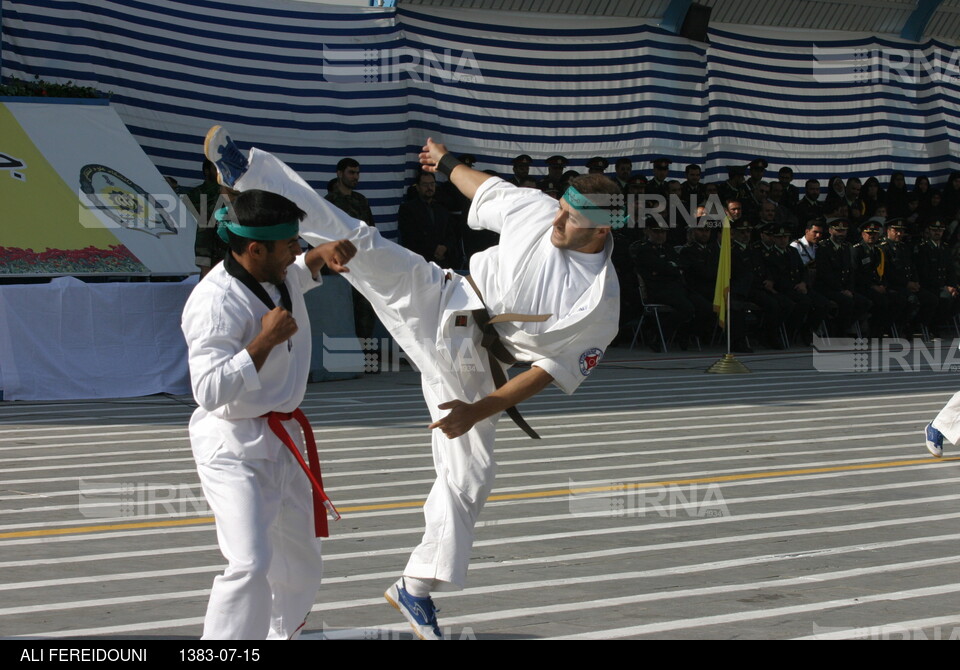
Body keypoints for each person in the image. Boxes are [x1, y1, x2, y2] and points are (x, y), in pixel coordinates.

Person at [204, 126, 620, 640]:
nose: (556, 221)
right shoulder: (539, 209)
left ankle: (415, 585)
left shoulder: (599, 301)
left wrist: (479, 409)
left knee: (472, 475)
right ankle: (247, 174)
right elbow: (484, 187)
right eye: (561, 208)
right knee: (359, 241)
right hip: (442, 294)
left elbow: (546, 370)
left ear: (602, 231)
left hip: (473, 364)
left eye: (572, 220)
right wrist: (446, 163)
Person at [181, 178, 356, 639]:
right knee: (250, 562)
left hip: (282, 440)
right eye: (289, 245)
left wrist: (323, 254)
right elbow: (208, 390)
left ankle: (282, 635)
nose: (296, 251)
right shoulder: (215, 303)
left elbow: (299, 271)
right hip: (233, 444)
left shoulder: (274, 272)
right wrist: (263, 343)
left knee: (300, 561)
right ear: (255, 249)